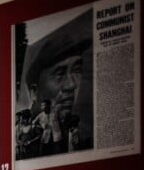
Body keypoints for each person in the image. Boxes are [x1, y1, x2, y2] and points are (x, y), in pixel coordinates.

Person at [22, 8, 92, 154]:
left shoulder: (82, 131)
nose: (72, 84)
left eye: (76, 70)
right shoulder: (31, 135)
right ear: (34, 91)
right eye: (60, 74)